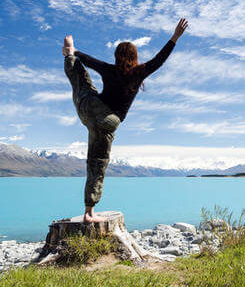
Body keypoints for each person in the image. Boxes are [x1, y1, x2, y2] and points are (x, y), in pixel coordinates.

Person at [62, 18, 188, 222]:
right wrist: (174, 37)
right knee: (97, 163)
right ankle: (89, 212)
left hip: (89, 109)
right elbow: (159, 59)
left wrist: (74, 52)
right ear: (134, 57)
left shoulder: (109, 69)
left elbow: (91, 61)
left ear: (116, 56)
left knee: (82, 80)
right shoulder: (139, 72)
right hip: (109, 120)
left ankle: (68, 56)